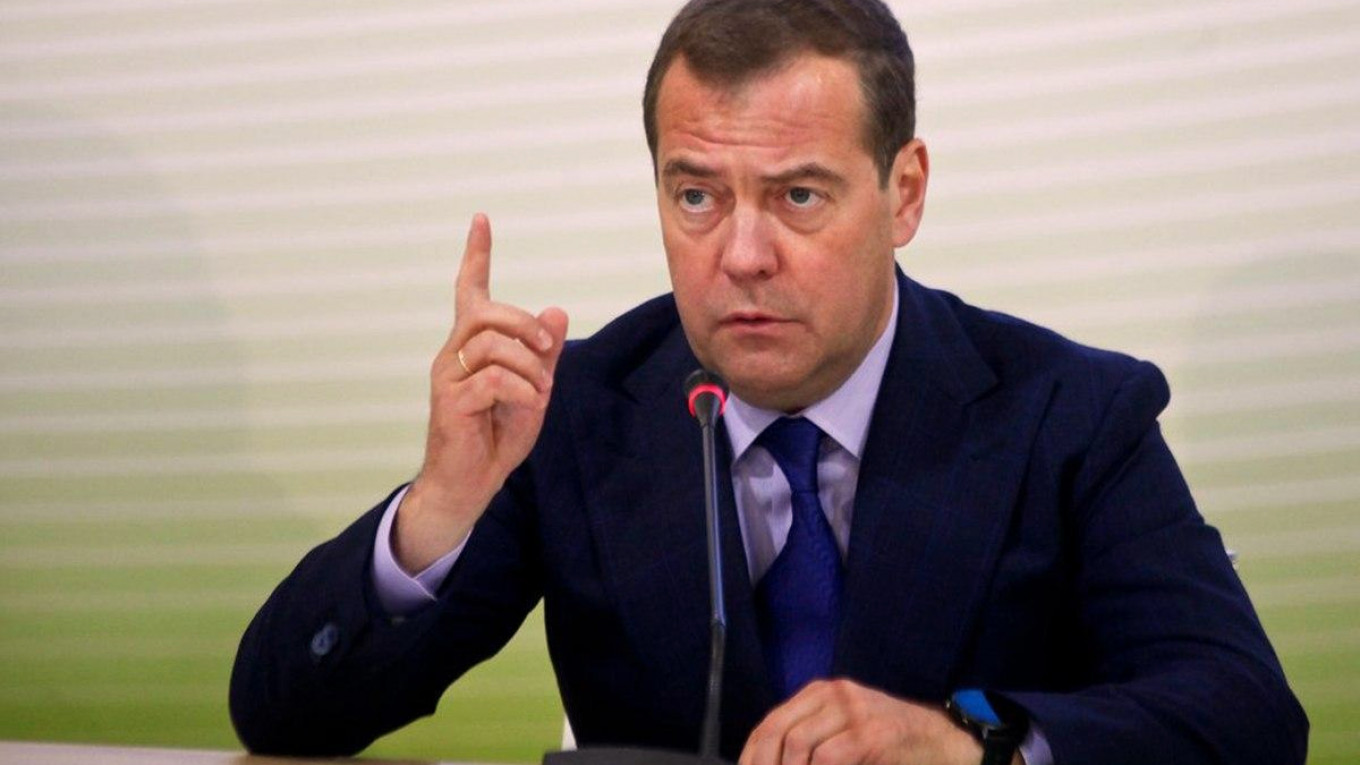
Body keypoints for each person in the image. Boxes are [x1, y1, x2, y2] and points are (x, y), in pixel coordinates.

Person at [230, 1, 1308, 764]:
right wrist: (440, 507)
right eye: (696, 196)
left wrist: (968, 740)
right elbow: (283, 716)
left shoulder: (1068, 415)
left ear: (904, 192)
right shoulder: (576, 413)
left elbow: (1247, 714)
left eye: (798, 196)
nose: (741, 256)